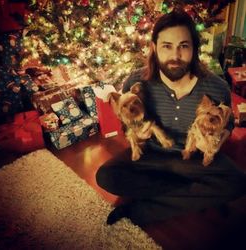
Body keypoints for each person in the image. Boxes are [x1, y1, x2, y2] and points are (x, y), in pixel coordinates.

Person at [96, 9, 246, 227]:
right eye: (167, 46)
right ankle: (195, 194)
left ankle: (140, 211)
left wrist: (219, 139)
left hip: (193, 160)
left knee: (238, 182)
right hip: (151, 156)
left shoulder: (217, 86)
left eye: (183, 46)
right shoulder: (136, 81)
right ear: (155, 47)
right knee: (106, 176)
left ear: (194, 49)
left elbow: (228, 123)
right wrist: (137, 134)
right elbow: (124, 123)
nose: (175, 56)